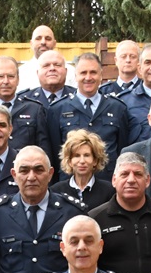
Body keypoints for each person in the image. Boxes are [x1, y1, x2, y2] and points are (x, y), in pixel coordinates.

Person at [48, 53, 131, 181]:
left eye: (93, 72)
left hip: (108, 183)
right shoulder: (58, 109)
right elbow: (55, 153)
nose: (88, 77)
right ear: (75, 76)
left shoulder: (118, 108)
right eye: (83, 73)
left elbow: (122, 150)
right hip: (70, 183)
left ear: (101, 75)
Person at [50, 130, 115, 211]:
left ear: (95, 160)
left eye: (86, 155)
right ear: (69, 161)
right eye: (77, 156)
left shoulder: (108, 191)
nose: (82, 161)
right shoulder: (56, 191)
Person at [17, 25, 75, 93]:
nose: (43, 42)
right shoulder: (20, 73)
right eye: (38, 38)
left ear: (54, 44)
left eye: (48, 39)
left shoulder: (71, 72)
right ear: (31, 44)